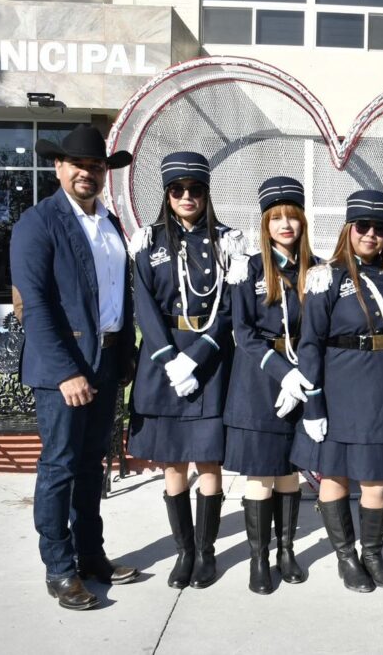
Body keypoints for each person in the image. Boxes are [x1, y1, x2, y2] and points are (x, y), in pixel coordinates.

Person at [10, 124, 139, 610]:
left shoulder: (111, 225)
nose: (88, 172)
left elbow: (118, 298)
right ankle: (60, 569)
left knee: (91, 466)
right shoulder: (38, 223)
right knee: (61, 467)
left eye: (96, 166)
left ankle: (92, 557)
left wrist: (124, 355)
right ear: (58, 167)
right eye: (78, 164)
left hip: (106, 362)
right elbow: (36, 305)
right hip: (63, 368)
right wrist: (66, 372)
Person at [127, 152, 247, 590]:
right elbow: (143, 305)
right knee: (173, 462)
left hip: (210, 358)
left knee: (208, 460)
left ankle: (207, 553)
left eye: (195, 189)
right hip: (163, 361)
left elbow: (232, 307)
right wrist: (169, 359)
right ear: (167, 194)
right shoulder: (147, 241)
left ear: (206, 193)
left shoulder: (229, 241)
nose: (186, 197)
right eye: (177, 190)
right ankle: (184, 552)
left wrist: (195, 357)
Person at [290, 189, 383, 593]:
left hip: (381, 388)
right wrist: (315, 402)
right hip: (339, 385)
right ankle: (347, 557)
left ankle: (373, 553)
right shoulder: (327, 275)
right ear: (348, 229)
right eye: (363, 226)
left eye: (379, 228)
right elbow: (310, 342)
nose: (370, 234)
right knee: (335, 474)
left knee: (376, 480)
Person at [223, 176, 317, 594]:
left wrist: (302, 379)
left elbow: (319, 331)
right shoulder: (249, 268)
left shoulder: (316, 271)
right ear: (265, 223)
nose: (285, 225)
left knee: (290, 474)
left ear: (302, 223)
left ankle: (286, 551)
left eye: (291, 218)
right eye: (276, 218)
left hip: (302, 379)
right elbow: (242, 332)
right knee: (260, 475)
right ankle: (258, 560)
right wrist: (283, 374)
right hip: (259, 381)